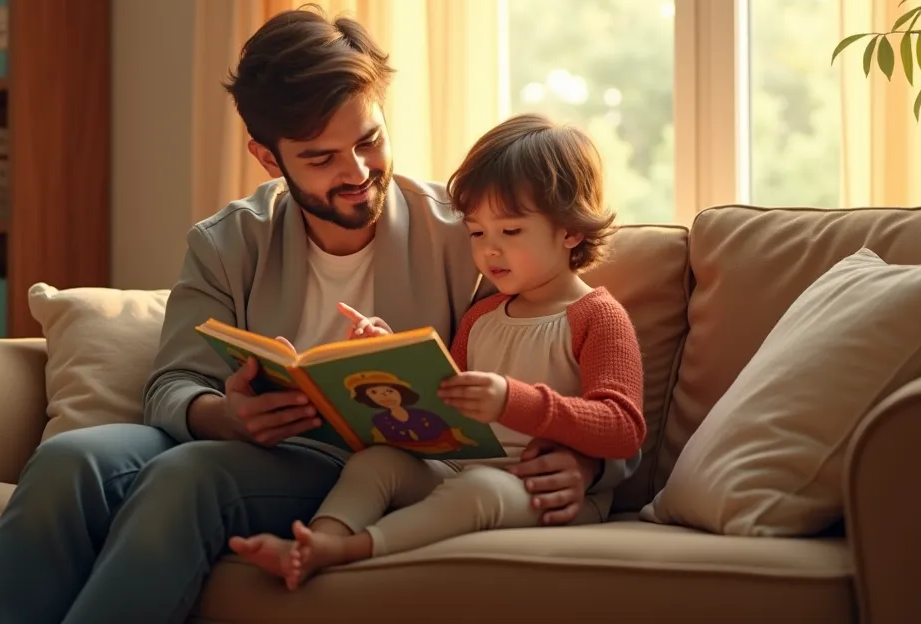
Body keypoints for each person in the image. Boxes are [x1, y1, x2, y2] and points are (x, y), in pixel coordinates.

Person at [0, 7, 640, 624]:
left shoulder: (466, 237)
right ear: (267, 155)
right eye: (321, 158)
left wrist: (585, 464)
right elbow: (170, 386)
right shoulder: (229, 240)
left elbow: (554, 361)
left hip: (364, 466)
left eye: (368, 140)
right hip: (244, 444)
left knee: (188, 477)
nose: (358, 172)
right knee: (66, 460)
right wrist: (223, 415)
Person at [228, 113, 647, 589]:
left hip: (542, 492)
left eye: (510, 233)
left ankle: (350, 549)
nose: (490, 251)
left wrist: (513, 400)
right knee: (377, 463)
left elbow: (623, 428)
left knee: (479, 489)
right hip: (461, 470)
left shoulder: (597, 316)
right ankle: (315, 541)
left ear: (570, 231)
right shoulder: (481, 316)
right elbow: (444, 403)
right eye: (476, 233)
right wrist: (389, 356)